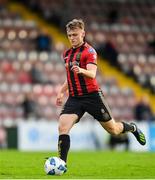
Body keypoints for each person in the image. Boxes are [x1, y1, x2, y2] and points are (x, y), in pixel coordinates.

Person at [55, 19, 146, 170]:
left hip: (92, 96)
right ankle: (62, 163)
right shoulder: (66, 54)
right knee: (62, 127)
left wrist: (81, 70)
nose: (72, 38)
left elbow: (92, 74)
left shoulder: (89, 52)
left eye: (75, 35)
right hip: (75, 98)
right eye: (69, 35)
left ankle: (132, 128)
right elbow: (70, 77)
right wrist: (60, 92)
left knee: (114, 130)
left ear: (83, 33)